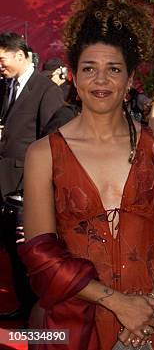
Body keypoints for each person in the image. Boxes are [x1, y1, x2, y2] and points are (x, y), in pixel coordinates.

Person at [18, 0, 154, 350]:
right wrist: (117, 302)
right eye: (89, 69)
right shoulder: (43, 154)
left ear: (130, 80)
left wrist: (147, 307)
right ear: (74, 77)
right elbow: (41, 256)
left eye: (114, 70)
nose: (101, 80)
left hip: (151, 322)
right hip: (76, 323)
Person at [0, 32, 64, 320]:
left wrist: (37, 191)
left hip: (27, 189)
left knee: (30, 258)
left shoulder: (45, 89)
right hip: (4, 187)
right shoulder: (5, 87)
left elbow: (51, 141)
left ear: (21, 55)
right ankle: (22, 311)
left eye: (2, 60)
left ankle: (35, 317)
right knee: (13, 260)